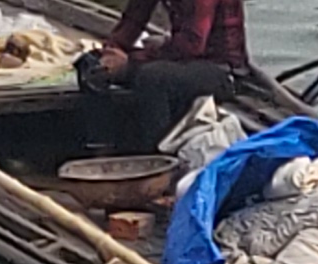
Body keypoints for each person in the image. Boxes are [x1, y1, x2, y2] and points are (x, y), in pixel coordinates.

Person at [80, 0, 248, 152]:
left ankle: (155, 155)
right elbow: (133, 20)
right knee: (91, 65)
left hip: (219, 69)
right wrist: (111, 51)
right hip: (181, 60)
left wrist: (130, 60)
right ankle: (101, 146)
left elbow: (192, 44)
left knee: (152, 77)